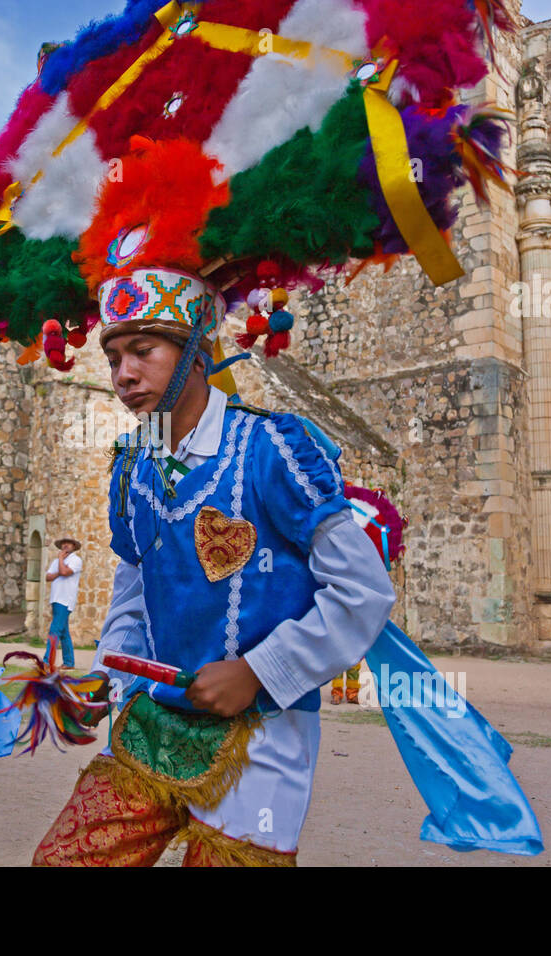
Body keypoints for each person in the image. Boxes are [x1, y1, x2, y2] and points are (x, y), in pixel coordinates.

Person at [31, 273, 396, 866]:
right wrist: (109, 676)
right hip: (153, 721)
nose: (123, 375)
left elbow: (364, 590)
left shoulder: (271, 448)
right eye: (114, 355)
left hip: (260, 735)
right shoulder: (132, 467)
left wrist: (257, 671)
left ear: (199, 357)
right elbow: (133, 591)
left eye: (143, 352)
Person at [44, 538, 83, 668]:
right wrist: (60, 569)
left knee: (54, 631)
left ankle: (47, 661)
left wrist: (61, 561)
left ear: (74, 546)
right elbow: (47, 577)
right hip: (55, 599)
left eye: (68, 543)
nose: (65, 545)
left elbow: (65, 572)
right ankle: (69, 662)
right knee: (64, 633)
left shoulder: (76, 560)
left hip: (65, 600)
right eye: (63, 543)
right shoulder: (55, 562)